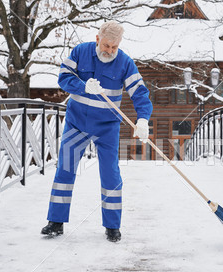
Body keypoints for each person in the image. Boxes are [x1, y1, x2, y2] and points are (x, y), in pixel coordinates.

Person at [41, 21, 153, 242]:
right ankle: (55, 222)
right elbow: (64, 77)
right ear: (97, 39)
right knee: (65, 169)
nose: (110, 51)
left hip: (107, 127)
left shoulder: (125, 63)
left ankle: (112, 226)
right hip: (77, 123)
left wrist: (142, 120)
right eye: (107, 45)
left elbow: (139, 91)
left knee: (111, 174)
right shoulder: (80, 52)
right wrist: (82, 86)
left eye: (114, 47)